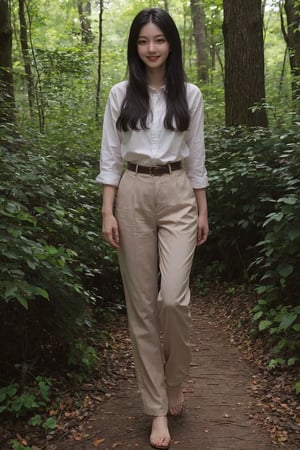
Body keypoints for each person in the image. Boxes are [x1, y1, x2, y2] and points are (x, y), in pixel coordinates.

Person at [96, 7, 209, 450]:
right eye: (143, 41)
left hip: (178, 191)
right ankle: (157, 408)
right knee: (141, 307)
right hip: (133, 192)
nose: (151, 48)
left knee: (172, 297)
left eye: (159, 40)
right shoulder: (121, 93)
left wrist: (202, 209)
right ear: (135, 46)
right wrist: (108, 212)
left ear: (171, 43)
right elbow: (109, 158)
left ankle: (175, 378)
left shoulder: (191, 94)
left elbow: (197, 156)